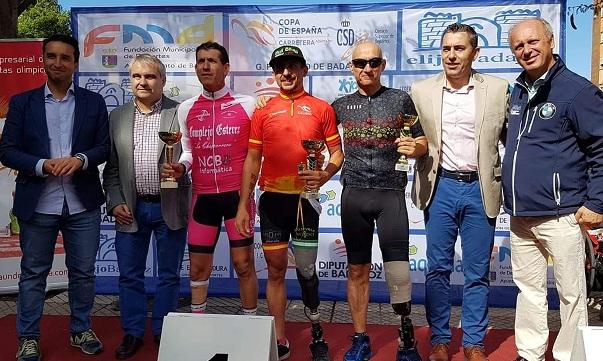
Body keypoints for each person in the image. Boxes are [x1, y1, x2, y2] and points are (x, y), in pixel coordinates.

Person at [0, 34, 109, 361]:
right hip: (38, 204)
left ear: (75, 63)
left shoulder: (93, 102)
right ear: (43, 59)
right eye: (52, 56)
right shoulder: (22, 103)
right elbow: (7, 151)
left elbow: (103, 146)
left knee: (83, 272)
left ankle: (80, 329)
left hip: (82, 203)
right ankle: (28, 338)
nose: (58, 63)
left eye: (65, 57)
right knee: (33, 273)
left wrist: (80, 160)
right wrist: (40, 165)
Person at [235, 45, 343, 361]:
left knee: (307, 271)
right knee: (276, 270)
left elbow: (336, 153)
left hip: (305, 202)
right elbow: (253, 158)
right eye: (280, 67)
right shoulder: (263, 111)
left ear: (304, 70)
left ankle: (316, 329)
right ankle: (279, 338)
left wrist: (324, 175)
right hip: (271, 202)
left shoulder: (322, 108)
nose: (286, 73)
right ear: (274, 72)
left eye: (293, 66)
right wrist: (243, 204)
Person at [504, 18, 603, 361]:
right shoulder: (517, 90)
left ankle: (568, 356)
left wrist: (597, 201)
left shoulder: (577, 91)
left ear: (550, 42)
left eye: (533, 42)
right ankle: (529, 353)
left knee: (571, 294)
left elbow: (601, 148)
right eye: (518, 46)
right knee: (528, 291)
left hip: (562, 214)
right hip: (520, 216)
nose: (526, 50)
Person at [410, 23, 509, 361]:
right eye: (446, 48)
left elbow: (513, 139)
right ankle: (439, 339)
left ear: (475, 53)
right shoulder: (421, 91)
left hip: (481, 189)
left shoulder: (497, 89)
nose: (451, 55)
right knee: (437, 268)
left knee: (477, 272)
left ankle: (474, 343)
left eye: (459, 49)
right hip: (439, 188)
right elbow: (416, 136)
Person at [330, 41, 427, 361]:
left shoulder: (401, 99)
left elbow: (422, 138)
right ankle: (360, 338)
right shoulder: (340, 105)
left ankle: (406, 338)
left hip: (390, 195)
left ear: (383, 65)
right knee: (357, 270)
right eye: (360, 63)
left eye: (373, 62)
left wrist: (419, 148)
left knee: (398, 272)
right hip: (354, 194)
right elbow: (317, 136)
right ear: (352, 67)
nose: (367, 68)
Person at [102, 54, 190, 359]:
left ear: (163, 81)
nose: (143, 82)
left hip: (169, 207)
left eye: (150, 76)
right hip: (130, 208)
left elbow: (190, 160)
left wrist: (182, 170)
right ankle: (133, 332)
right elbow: (111, 168)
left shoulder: (180, 114)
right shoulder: (117, 117)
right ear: (130, 80)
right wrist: (114, 202)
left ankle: (166, 330)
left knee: (168, 275)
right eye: (137, 76)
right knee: (129, 275)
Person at [174, 41, 258, 316]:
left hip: (237, 196)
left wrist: (247, 199)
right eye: (201, 61)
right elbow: (187, 151)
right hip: (203, 197)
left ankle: (250, 323)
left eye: (212, 60)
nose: (205, 66)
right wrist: (181, 168)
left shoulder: (247, 104)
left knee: (243, 264)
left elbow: (256, 154)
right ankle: (198, 323)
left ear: (226, 68)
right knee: (198, 267)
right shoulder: (186, 108)